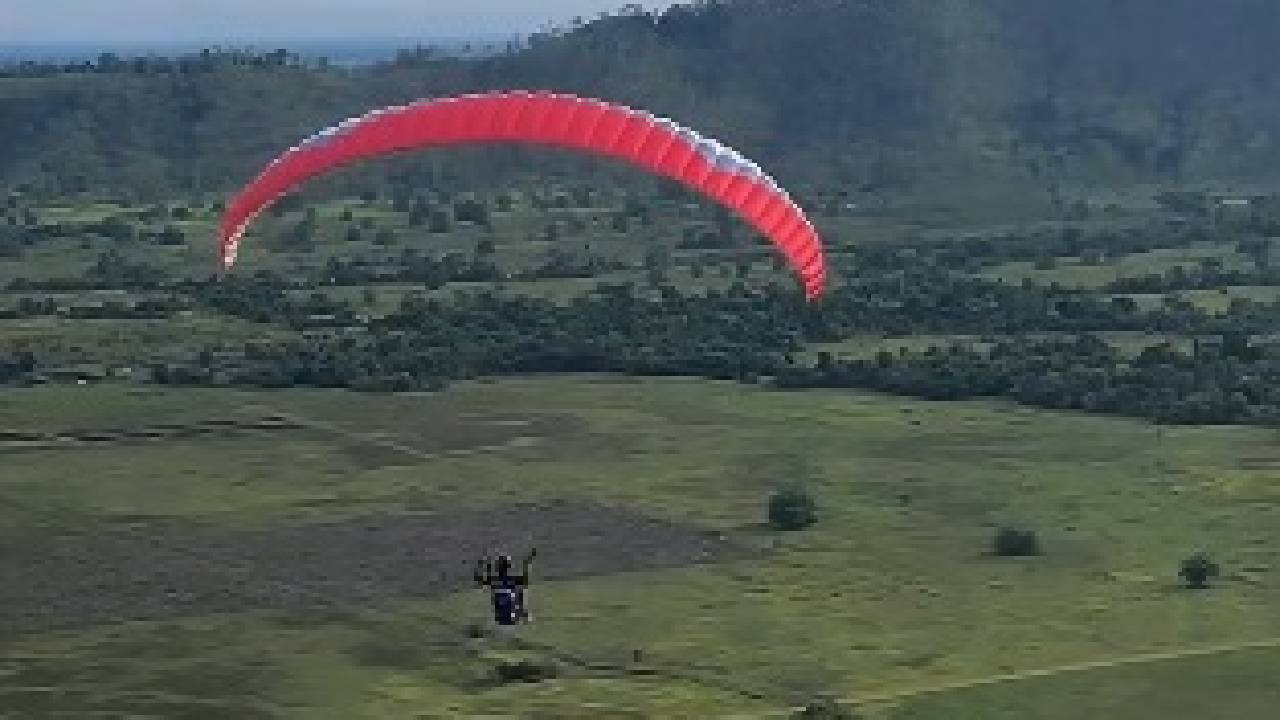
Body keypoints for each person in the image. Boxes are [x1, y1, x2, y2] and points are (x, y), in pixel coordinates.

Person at [474, 548, 536, 625]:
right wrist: (528, 561)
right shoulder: (513, 580)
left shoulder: (494, 580)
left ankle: (521, 613)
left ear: (498, 568)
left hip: (501, 618)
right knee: (519, 591)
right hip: (513, 618)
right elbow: (525, 576)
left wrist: (482, 564)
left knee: (507, 591)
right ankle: (523, 613)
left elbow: (478, 579)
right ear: (508, 567)